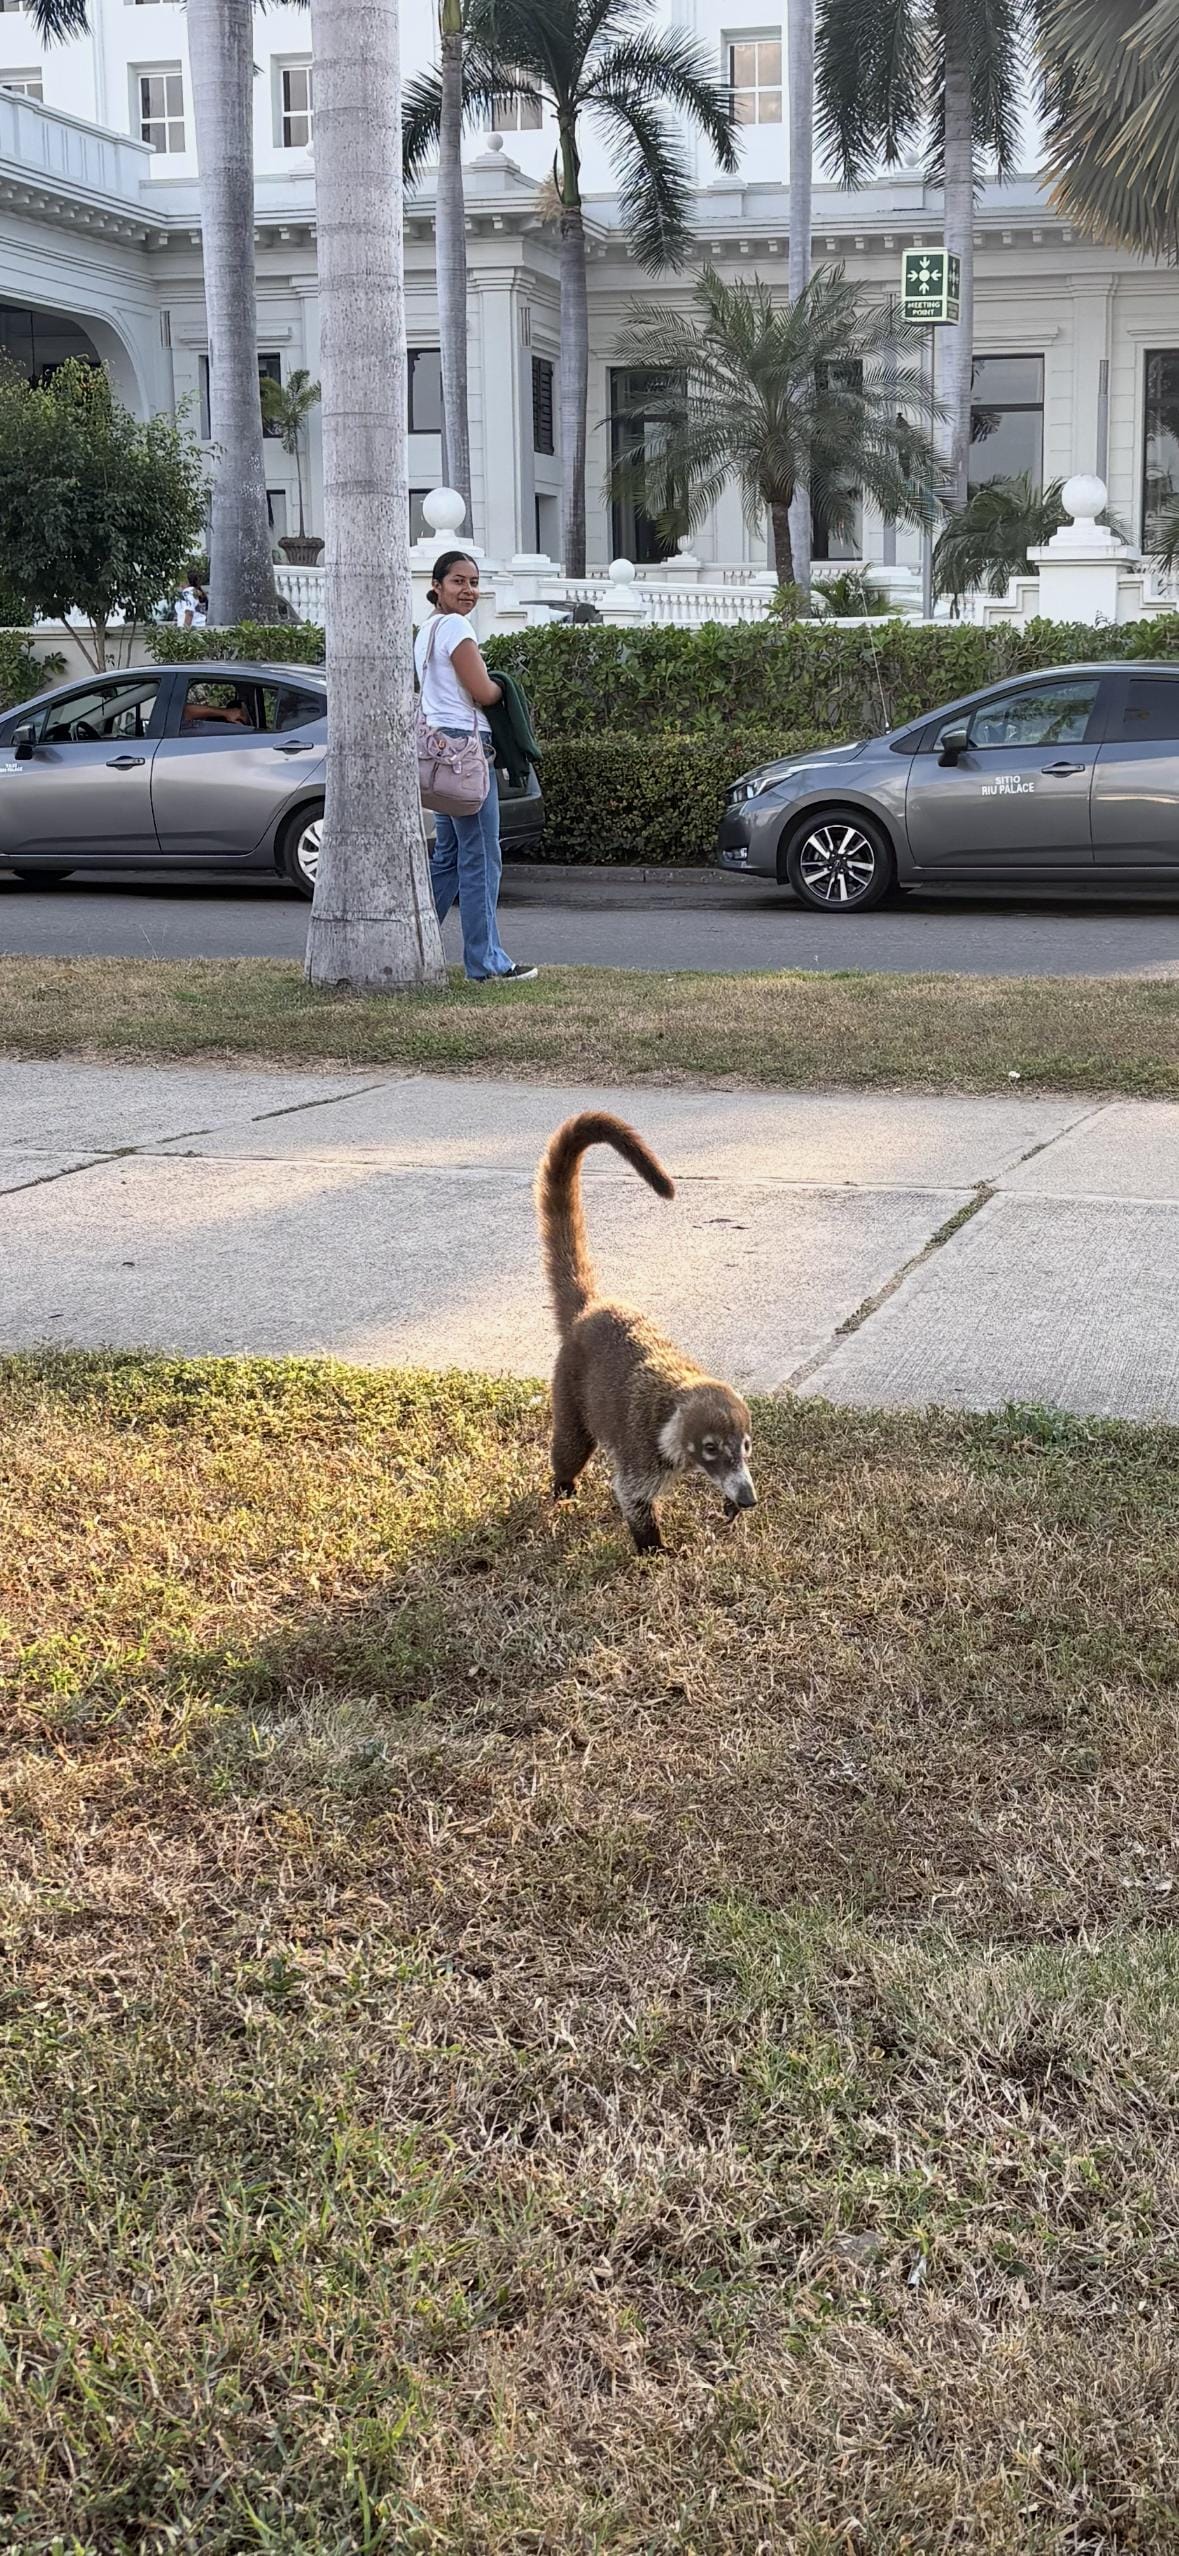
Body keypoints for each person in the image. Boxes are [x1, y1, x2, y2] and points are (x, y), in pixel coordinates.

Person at [414, 549, 537, 983]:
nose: (469, 591)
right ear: (437, 586)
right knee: (483, 856)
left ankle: (412, 942)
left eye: (474, 582)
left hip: (439, 753)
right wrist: (504, 690)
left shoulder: (425, 632)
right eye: (458, 582)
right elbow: (483, 692)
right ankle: (486, 963)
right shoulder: (456, 626)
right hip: (467, 753)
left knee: (448, 855)